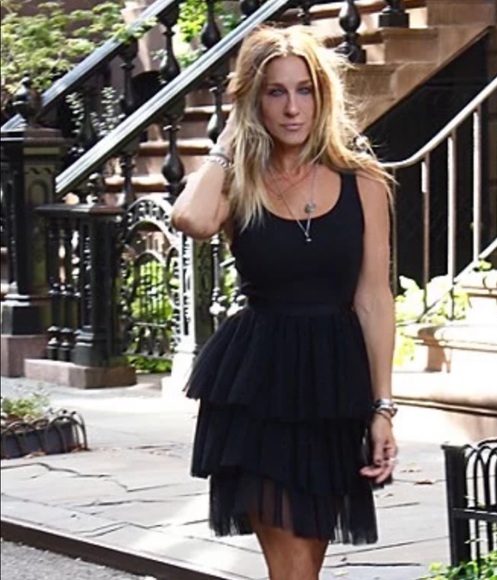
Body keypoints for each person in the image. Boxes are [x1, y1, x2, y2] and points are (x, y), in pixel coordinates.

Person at [171, 24, 397, 580]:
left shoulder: (364, 182)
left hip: (332, 389)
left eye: (304, 91)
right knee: (292, 567)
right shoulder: (240, 179)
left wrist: (383, 408)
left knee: (304, 566)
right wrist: (228, 142)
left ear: (323, 97)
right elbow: (191, 219)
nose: (292, 109)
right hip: (260, 387)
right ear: (254, 100)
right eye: (275, 92)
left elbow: (373, 297)